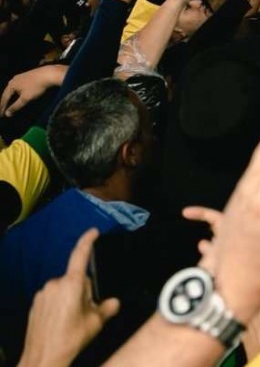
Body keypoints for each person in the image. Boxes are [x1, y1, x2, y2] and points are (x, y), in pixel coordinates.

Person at [0, 79, 153, 338]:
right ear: (131, 154)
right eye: (149, 128)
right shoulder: (129, 256)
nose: (154, 137)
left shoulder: (15, 239)